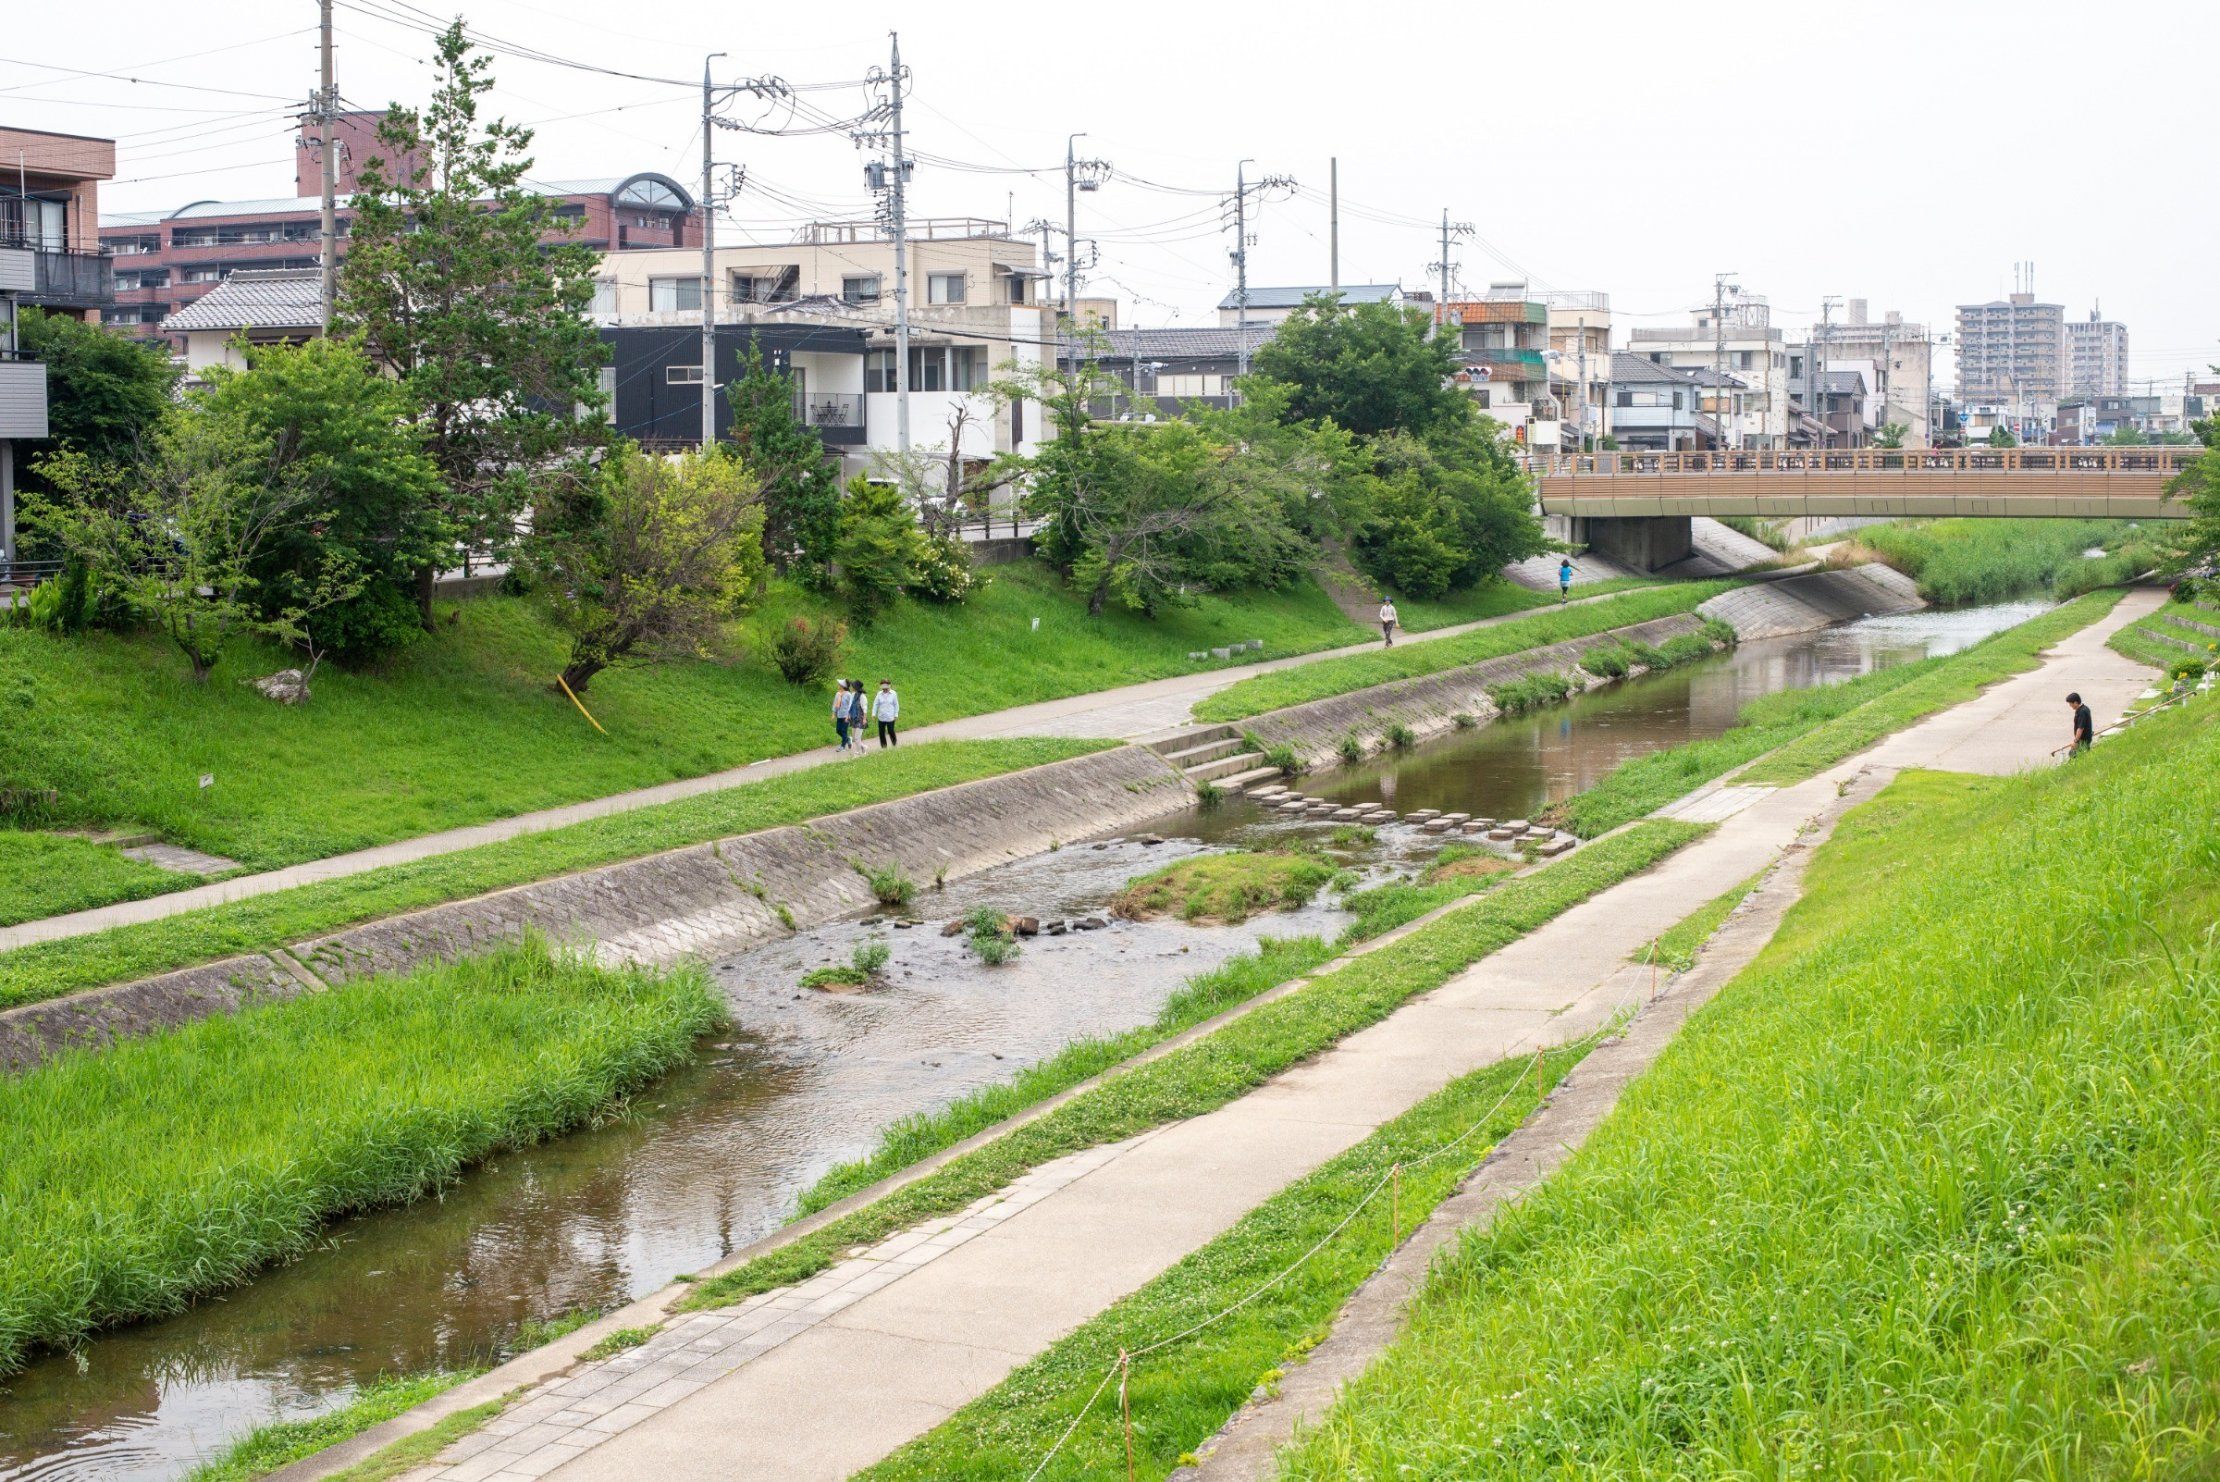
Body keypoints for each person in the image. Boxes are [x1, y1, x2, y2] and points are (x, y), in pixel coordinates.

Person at [873, 678, 901, 748]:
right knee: (881, 733)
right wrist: (874, 713)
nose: (884, 688)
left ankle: (894, 744)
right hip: (881, 716)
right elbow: (876, 704)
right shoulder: (879, 694)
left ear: (889, 685)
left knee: (891, 731)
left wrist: (896, 714)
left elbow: (896, 704)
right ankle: (884, 747)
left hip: (890, 717)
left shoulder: (893, 694)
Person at [2066, 691, 2094, 756]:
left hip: (2083, 740)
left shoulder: (2082, 712)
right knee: (2076, 754)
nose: (2070, 705)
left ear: (2075, 702)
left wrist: (2075, 742)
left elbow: (2080, 728)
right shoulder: (2085, 708)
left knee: (2073, 754)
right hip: (2086, 738)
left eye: (2070, 703)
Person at [831, 678, 854, 752]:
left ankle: (842, 746)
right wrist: (834, 714)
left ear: (843, 686)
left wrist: (849, 715)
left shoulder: (848, 695)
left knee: (844, 731)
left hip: (846, 716)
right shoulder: (837, 694)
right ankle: (848, 739)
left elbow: (851, 705)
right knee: (838, 730)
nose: (838, 685)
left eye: (839, 684)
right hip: (839, 715)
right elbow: (835, 704)